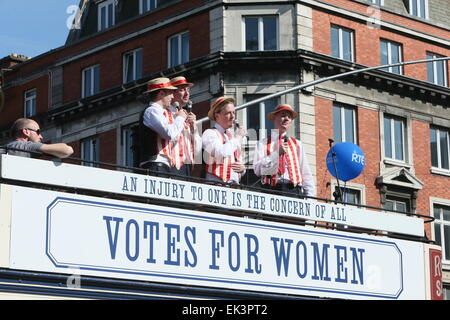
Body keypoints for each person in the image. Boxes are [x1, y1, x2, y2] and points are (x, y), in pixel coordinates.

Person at [253, 104, 316, 197]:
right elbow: (257, 170)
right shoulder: (262, 143)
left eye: (289, 117)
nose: (286, 118)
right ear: (274, 118)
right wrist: (276, 154)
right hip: (270, 190)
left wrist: (310, 198)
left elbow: (305, 172)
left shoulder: (297, 144)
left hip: (293, 191)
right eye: (283, 115)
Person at [139, 77, 192, 177]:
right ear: (161, 94)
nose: (172, 97)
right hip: (155, 164)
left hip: (162, 166)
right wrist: (180, 118)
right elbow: (170, 134)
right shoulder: (152, 111)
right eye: (170, 93)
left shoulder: (159, 112)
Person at [202, 97, 246, 184]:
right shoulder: (210, 133)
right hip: (216, 185)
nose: (233, 116)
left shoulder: (233, 138)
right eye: (228, 113)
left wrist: (242, 169)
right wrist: (239, 137)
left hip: (234, 187)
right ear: (217, 116)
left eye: (233, 112)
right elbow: (220, 153)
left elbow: (239, 162)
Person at [169, 76, 201, 176]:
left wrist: (194, 128)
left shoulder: (188, 117)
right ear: (172, 93)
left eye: (188, 90)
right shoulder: (167, 114)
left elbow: (198, 149)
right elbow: (169, 137)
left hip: (186, 167)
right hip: (172, 165)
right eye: (182, 90)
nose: (187, 94)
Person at [2, 118, 73, 158]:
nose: (41, 137)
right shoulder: (27, 146)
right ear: (26, 131)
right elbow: (67, 150)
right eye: (38, 132)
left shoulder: (4, 148)